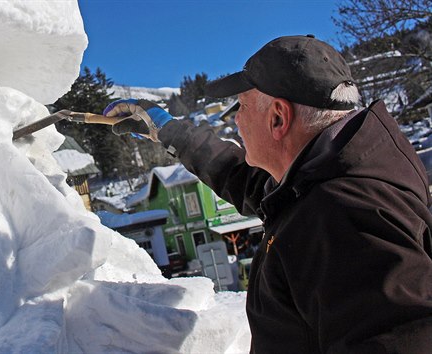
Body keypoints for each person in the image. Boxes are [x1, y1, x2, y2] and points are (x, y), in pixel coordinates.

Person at [103, 35, 432, 353]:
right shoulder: (326, 176)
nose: (235, 120)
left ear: (278, 117)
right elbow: (247, 181)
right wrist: (169, 130)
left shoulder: (341, 216)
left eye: (242, 106)